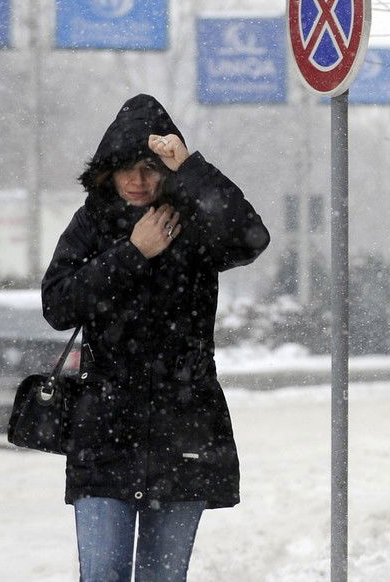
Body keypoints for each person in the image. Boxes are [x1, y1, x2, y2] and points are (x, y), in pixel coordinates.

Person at [41, 94, 269, 581]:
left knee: (163, 578)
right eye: (126, 168)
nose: (139, 180)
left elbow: (250, 237)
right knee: (102, 573)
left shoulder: (193, 223)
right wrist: (132, 253)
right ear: (107, 171)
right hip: (104, 436)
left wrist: (190, 167)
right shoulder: (92, 223)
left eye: (150, 167)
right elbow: (57, 305)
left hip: (184, 431)